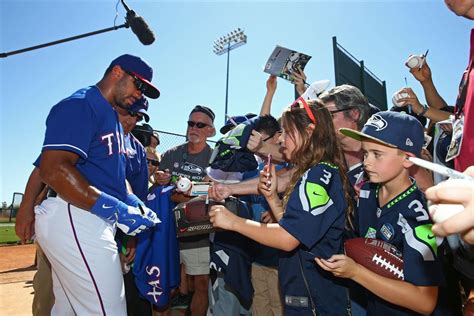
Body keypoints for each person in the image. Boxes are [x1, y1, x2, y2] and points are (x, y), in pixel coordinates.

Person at [34, 54, 160, 315]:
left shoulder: (111, 118)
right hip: (76, 216)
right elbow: (52, 168)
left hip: (87, 218)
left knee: (69, 310)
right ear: (117, 73)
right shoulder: (82, 105)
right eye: (139, 85)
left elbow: (112, 179)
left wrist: (132, 203)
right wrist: (116, 210)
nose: (140, 95)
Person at [210, 98, 353, 315]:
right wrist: (271, 198)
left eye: (287, 132)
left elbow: (287, 239)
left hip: (317, 300)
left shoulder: (319, 175)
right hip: (303, 290)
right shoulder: (312, 170)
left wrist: (233, 222)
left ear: (310, 131)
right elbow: (293, 220)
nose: (282, 140)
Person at [317, 111, 444, 315]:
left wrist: (356, 272)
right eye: (365, 153)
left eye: (377, 154)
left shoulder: (418, 217)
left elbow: (425, 301)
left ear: (408, 160)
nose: (366, 162)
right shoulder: (367, 191)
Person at [155, 105, 216, 316]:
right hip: (166, 232)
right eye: (191, 123)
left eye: (200, 125)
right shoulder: (171, 154)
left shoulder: (214, 158)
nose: (194, 128)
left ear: (211, 131)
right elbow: (159, 190)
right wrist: (159, 180)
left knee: (200, 284)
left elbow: (214, 191)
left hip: (197, 232)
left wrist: (186, 193)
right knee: (164, 286)